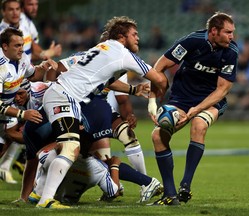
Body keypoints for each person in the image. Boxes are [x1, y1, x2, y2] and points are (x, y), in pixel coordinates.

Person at [36, 15, 167, 209]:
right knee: (71, 148)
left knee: (73, 148)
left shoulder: (101, 49)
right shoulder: (122, 53)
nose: (138, 38)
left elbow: (105, 79)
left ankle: (40, 193)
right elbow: (159, 79)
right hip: (65, 97)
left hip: (65, 96)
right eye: (134, 34)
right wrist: (156, 100)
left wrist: (133, 90)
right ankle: (45, 199)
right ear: (122, 37)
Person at [147, 12, 238, 205]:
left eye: (232, 33)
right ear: (214, 31)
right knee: (157, 136)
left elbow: (222, 90)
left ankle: (185, 185)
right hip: (181, 99)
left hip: (210, 101)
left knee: (198, 124)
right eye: (228, 32)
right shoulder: (191, 42)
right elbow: (158, 68)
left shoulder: (231, 52)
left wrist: (197, 109)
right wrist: (152, 101)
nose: (232, 37)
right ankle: (170, 194)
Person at [28, 129, 163, 206]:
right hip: (74, 195)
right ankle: (148, 182)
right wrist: (114, 166)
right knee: (108, 163)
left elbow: (41, 154)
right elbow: (114, 192)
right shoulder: (98, 168)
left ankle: (39, 192)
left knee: (54, 159)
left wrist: (60, 144)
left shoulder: (62, 159)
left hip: (56, 194)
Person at [0, 27, 57, 183]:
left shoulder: (22, 58)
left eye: (22, 45)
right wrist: (22, 114)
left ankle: (42, 148)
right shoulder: (1, 68)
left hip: (5, 112)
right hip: (4, 109)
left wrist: (43, 66)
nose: (21, 49)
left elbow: (33, 75)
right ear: (5, 46)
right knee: (10, 135)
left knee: (9, 137)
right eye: (17, 45)